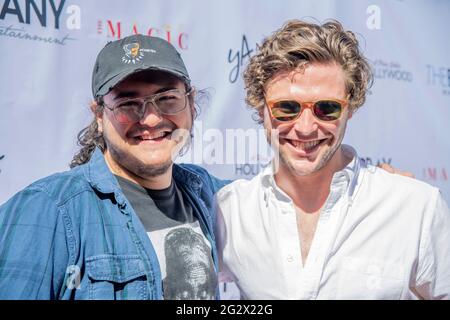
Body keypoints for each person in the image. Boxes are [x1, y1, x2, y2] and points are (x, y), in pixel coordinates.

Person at [215, 19, 450, 299]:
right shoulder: (229, 211)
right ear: (261, 107)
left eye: (327, 108)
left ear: (350, 108)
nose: (305, 128)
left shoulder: (415, 208)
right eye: (286, 108)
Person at [0, 34, 226, 299]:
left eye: (167, 98)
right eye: (128, 104)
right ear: (99, 115)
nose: (152, 119)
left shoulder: (209, 194)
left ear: (190, 102)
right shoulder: (49, 209)